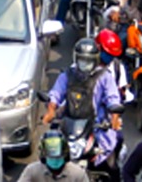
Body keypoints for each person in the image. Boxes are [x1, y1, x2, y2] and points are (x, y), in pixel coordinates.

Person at [42, 38, 123, 172]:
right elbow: (55, 94)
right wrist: (51, 110)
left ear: (95, 60)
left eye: (88, 61)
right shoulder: (67, 74)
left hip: (96, 128)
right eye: (82, 60)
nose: (84, 64)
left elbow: (113, 99)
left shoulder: (104, 76)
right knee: (47, 156)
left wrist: (114, 119)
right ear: (76, 59)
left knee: (110, 164)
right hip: (68, 126)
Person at [19, 130, 90, 181]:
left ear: (65, 156)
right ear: (44, 157)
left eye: (58, 157)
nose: (55, 161)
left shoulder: (78, 174)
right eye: (51, 157)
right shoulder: (32, 171)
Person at [97, 27, 133, 107]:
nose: (109, 57)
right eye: (107, 53)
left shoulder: (118, 68)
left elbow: (124, 93)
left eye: (112, 55)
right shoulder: (85, 64)